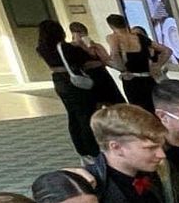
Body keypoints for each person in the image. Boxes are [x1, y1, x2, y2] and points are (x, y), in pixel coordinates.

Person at [38, 18, 122, 157]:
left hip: (59, 81)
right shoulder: (65, 47)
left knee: (73, 115)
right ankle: (92, 148)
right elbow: (85, 59)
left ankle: (81, 148)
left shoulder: (41, 49)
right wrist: (82, 46)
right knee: (85, 115)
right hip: (73, 82)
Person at [104, 14, 159, 112]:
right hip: (148, 78)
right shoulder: (139, 37)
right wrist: (157, 66)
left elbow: (115, 54)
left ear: (111, 26)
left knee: (140, 111)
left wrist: (122, 69)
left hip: (132, 81)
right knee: (154, 108)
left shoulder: (114, 38)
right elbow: (167, 51)